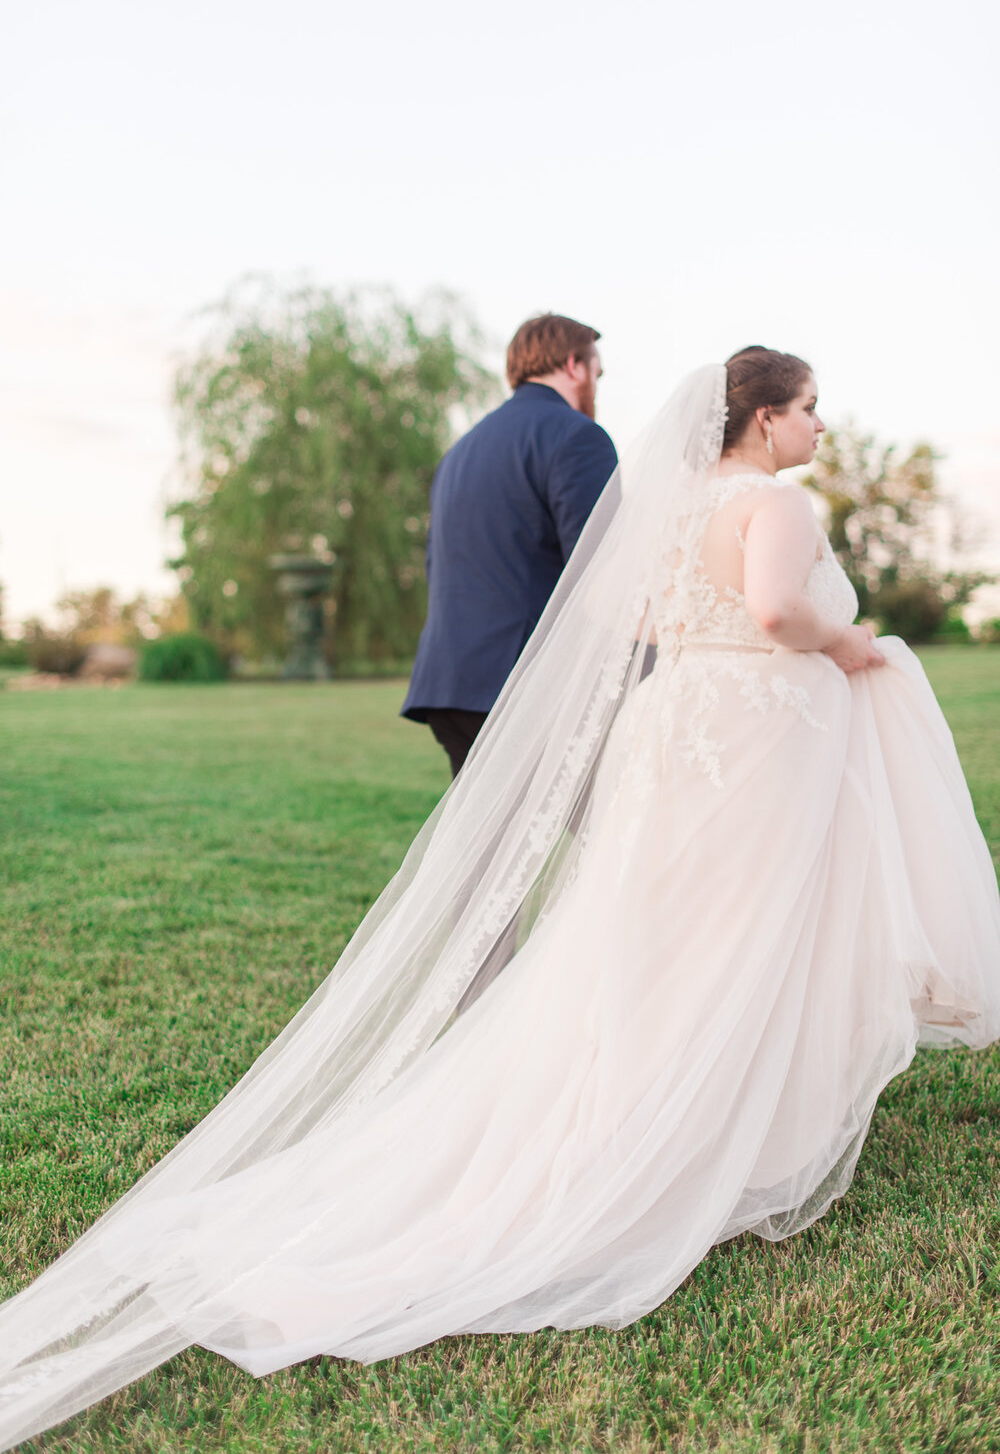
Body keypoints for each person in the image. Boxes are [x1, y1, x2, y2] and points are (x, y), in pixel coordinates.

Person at [1, 349, 998, 1451]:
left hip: (676, 733)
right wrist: (849, 641)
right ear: (761, 421)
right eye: (808, 409)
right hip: (756, 737)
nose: (818, 427)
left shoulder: (667, 509)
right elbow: (772, 611)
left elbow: (643, 623)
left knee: (662, 939)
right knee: (742, 936)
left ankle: (677, 1106)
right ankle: (709, 1136)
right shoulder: (770, 505)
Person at [402, 312, 619, 776]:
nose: (597, 387)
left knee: (486, 844)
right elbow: (600, 566)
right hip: (523, 682)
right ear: (574, 365)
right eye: (597, 373)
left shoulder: (460, 451)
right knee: (614, 827)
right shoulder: (579, 437)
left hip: (450, 681)